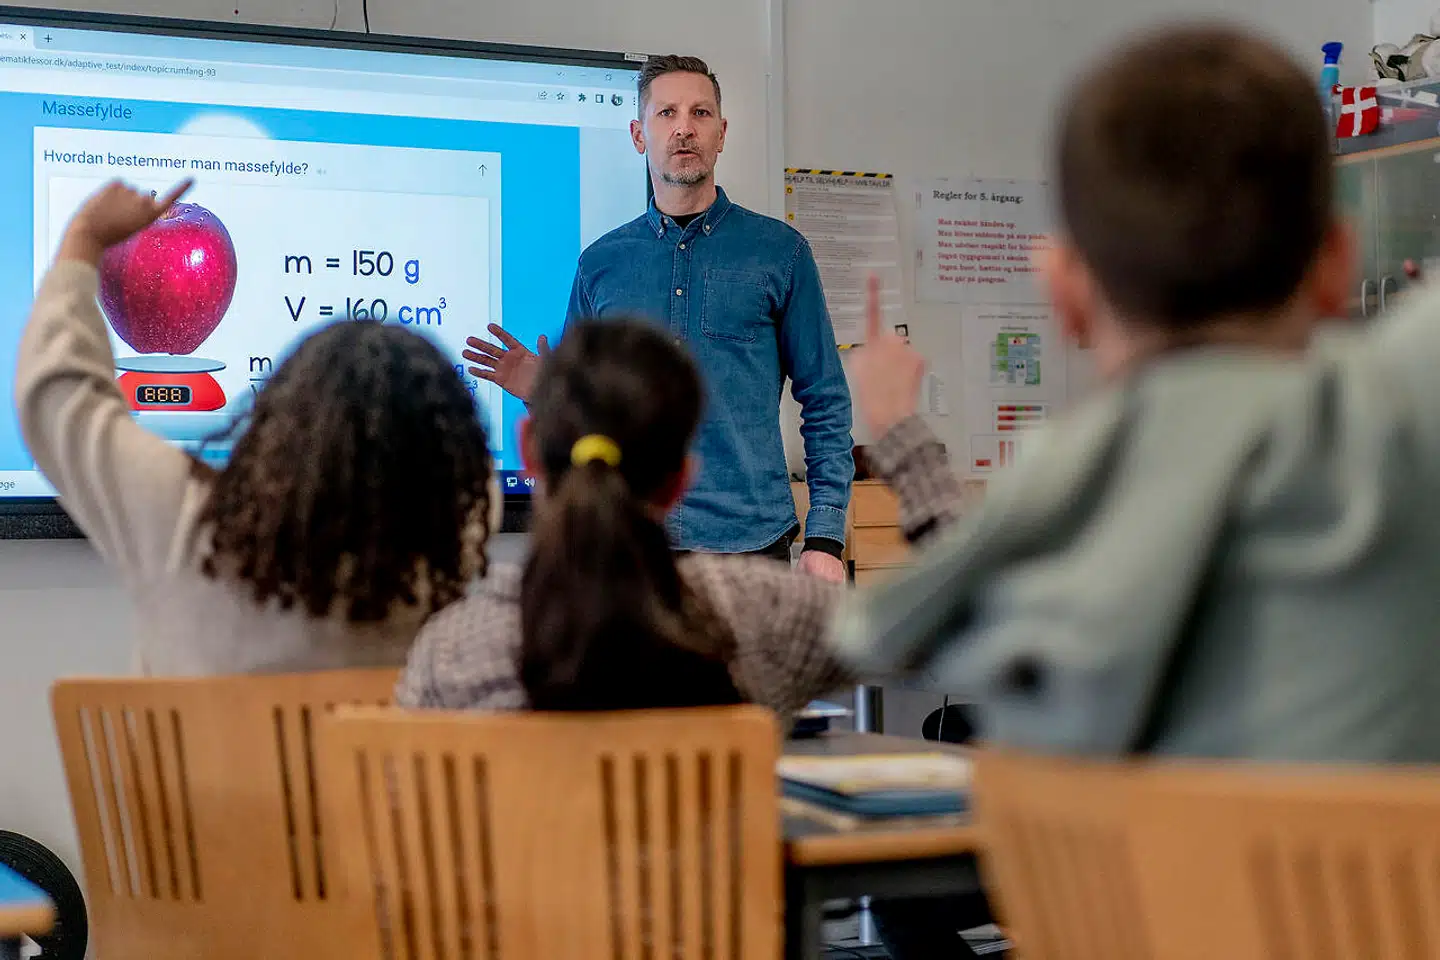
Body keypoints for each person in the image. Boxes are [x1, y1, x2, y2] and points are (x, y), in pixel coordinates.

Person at [833, 23, 1440, 762]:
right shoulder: (1405, 413)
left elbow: (895, 621)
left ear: (1065, 294)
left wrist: (896, 421)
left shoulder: (1056, 485)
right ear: (1338, 263)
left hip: (1129, 878)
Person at [398, 305, 992, 958]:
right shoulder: (760, 614)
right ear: (684, 476)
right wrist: (903, 435)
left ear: (532, 452)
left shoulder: (447, 653)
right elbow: (965, 624)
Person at [17, 180, 496, 674]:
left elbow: (56, 395)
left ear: (276, 422)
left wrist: (84, 239)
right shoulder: (457, 541)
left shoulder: (183, 527)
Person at [463, 55, 853, 581]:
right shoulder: (600, 264)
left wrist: (825, 535)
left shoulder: (781, 254)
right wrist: (546, 392)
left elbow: (825, 399)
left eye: (701, 113)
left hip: (751, 546)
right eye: (667, 113)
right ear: (638, 134)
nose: (684, 127)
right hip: (629, 549)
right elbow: (586, 420)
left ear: (721, 133)